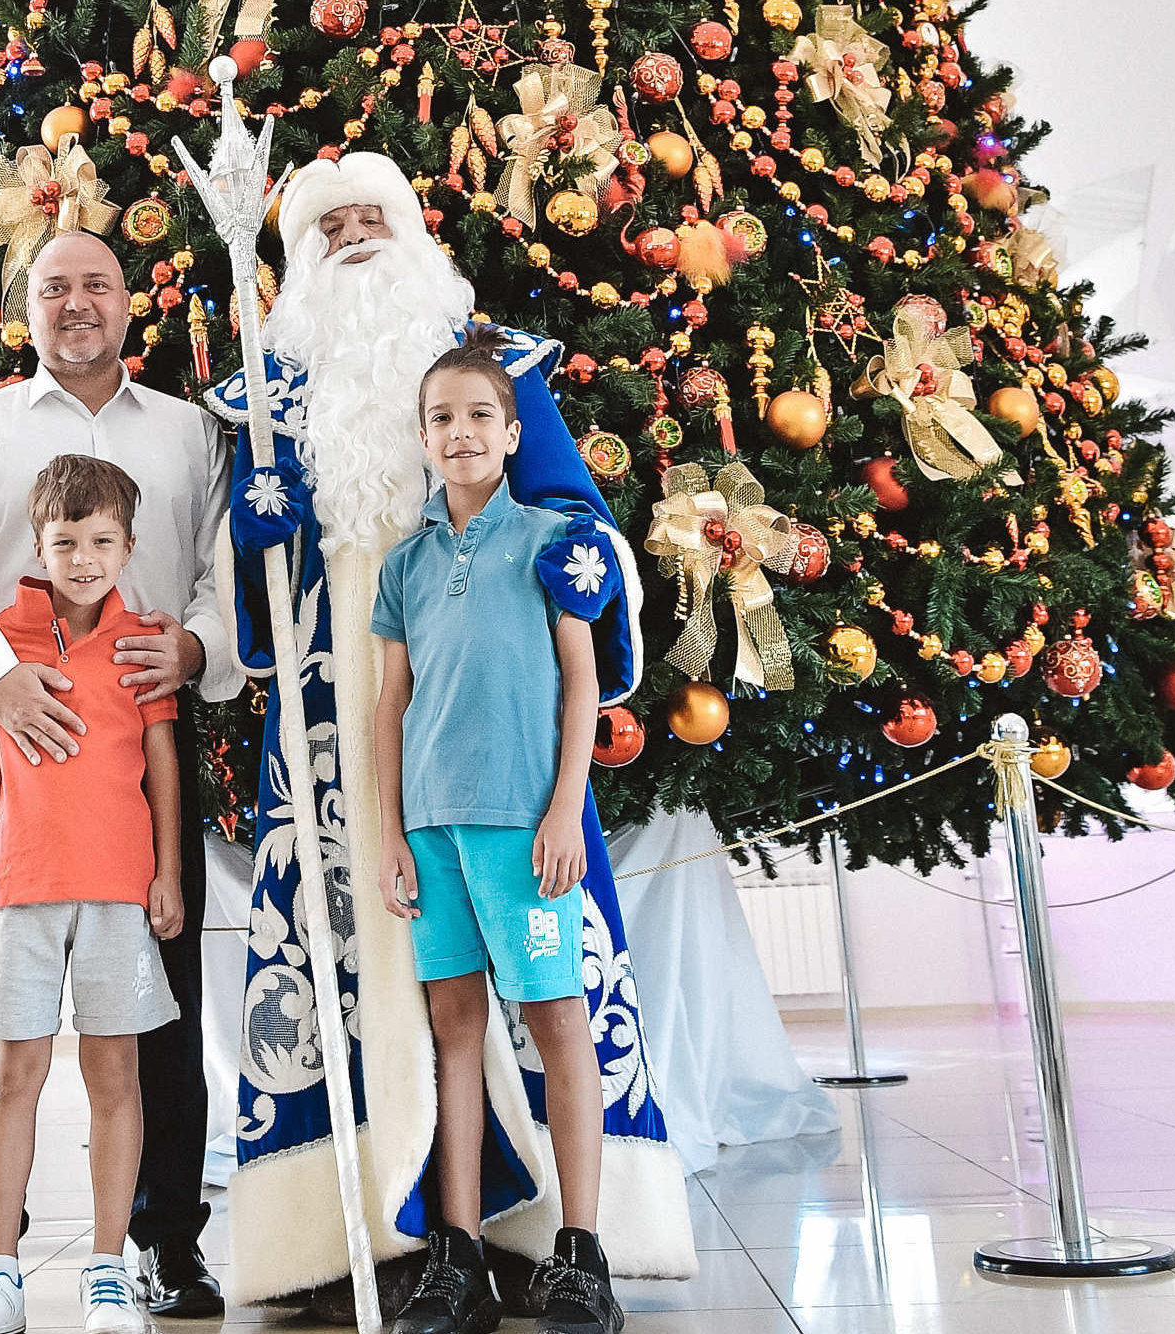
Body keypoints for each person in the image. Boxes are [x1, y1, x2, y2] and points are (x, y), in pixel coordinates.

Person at [204, 151, 694, 1312]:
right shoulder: (265, 401)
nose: (357, 234)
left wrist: (588, 560)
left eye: (377, 214)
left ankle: (565, 1234)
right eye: (332, 225)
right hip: (347, 724)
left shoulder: (500, 375)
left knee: (546, 995)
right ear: (301, 258)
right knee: (395, 974)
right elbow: (251, 612)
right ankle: (381, 1231)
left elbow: (578, 527)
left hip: (511, 754)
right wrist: (253, 534)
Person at [0, 231, 237, 1328]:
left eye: (96, 284)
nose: (76, 303)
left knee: (158, 1013)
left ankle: (164, 1240)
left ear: (131, 302)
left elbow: (226, 567)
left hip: (140, 744)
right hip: (12, 751)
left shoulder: (186, 433)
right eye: (53, 288)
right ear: (21, 307)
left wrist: (191, 649)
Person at [371, 331, 621, 1334]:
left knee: (556, 1019)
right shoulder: (405, 564)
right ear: (423, 439)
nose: (460, 431)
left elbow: (579, 680)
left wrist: (563, 806)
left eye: (479, 414)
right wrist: (388, 831)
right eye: (442, 418)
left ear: (513, 433)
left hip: (525, 830)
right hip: (430, 832)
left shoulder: (553, 541)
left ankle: (581, 1251)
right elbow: (389, 704)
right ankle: (457, 1253)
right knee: (455, 1030)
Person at [0, 455, 185, 1334]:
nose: (83, 557)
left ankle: (107, 1270)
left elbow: (159, 762)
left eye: (101, 541)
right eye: (65, 541)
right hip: (26, 887)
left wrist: (168, 873)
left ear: (127, 546)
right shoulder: (0, 641)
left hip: (118, 889)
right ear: (37, 545)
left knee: (116, 1076)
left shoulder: (143, 639)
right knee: (13, 1074)